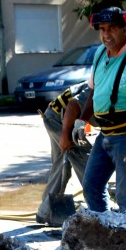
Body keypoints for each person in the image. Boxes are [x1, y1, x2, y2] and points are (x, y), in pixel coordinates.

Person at [70, 7, 126, 211]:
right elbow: (94, 91)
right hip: (105, 135)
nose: (105, 34)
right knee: (91, 187)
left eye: (111, 28)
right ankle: (105, 230)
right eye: (102, 29)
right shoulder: (101, 53)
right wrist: (82, 120)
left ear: (124, 30)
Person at [37, 82, 91, 226]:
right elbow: (73, 106)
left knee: (61, 167)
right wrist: (65, 135)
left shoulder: (103, 78)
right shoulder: (100, 87)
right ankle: (97, 207)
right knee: (86, 161)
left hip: (52, 115)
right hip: (57, 120)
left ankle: (44, 212)